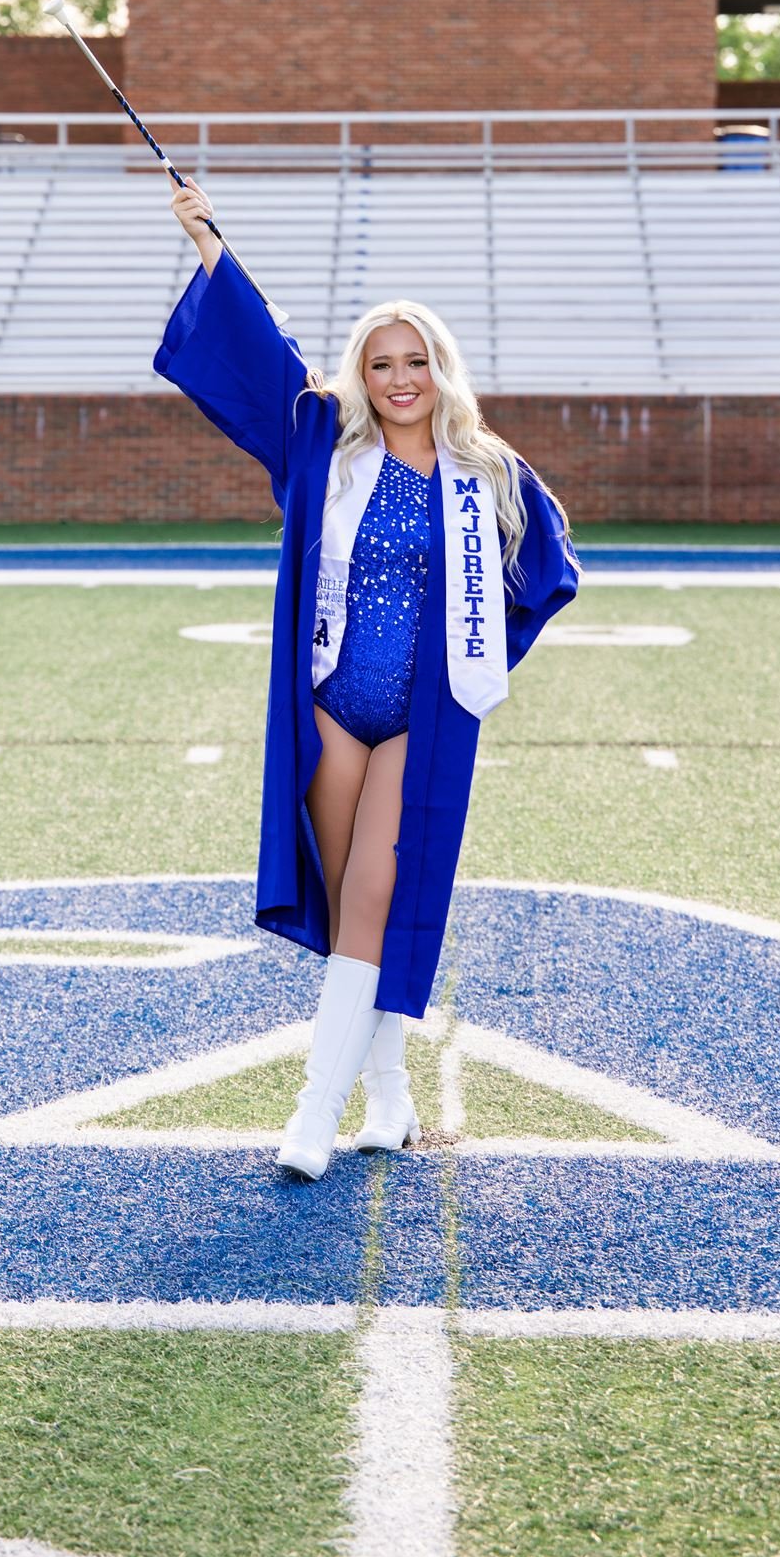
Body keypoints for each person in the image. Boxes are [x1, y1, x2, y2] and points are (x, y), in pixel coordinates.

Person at [155, 177, 581, 1182]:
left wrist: (478, 660)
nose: (398, 377)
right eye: (379, 362)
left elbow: (546, 574)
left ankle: (311, 1112)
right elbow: (260, 362)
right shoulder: (327, 450)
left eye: (414, 360)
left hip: (419, 719)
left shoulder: (488, 472)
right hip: (332, 704)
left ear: (441, 368)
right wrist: (211, 242)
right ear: (361, 373)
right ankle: (387, 1089)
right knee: (357, 903)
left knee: (374, 893)